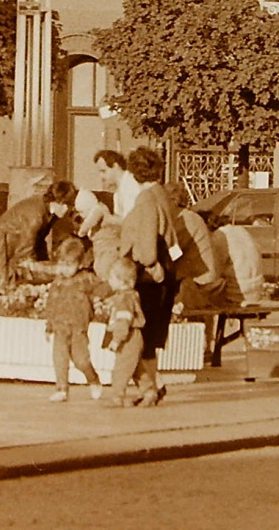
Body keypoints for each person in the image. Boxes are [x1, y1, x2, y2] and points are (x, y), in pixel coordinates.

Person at [117, 147, 181, 406]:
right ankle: (153, 388)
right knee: (150, 337)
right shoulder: (161, 194)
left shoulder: (145, 199)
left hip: (149, 275)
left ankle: (150, 390)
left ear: (134, 172)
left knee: (141, 336)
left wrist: (150, 263)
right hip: (167, 269)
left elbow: (146, 242)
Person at [0, 180, 77, 289]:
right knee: (4, 286)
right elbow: (26, 247)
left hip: (8, 246)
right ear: (59, 202)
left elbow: (39, 241)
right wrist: (38, 267)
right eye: (67, 204)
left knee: (17, 281)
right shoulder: (35, 216)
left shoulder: (50, 213)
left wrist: (45, 264)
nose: (68, 209)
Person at [42, 237, 108, 402]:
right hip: (60, 326)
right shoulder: (58, 282)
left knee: (81, 360)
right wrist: (49, 325)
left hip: (78, 327)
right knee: (60, 359)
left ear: (79, 264)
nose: (65, 269)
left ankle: (93, 379)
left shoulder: (86, 279)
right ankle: (62, 389)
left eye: (69, 264)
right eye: (62, 263)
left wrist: (99, 298)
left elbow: (104, 287)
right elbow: (52, 303)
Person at [162, 183, 225, 311]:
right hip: (198, 280)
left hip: (200, 284)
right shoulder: (186, 218)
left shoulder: (186, 220)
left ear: (173, 201)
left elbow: (172, 252)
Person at [101, 257, 152, 407]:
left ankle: (117, 396)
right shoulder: (129, 295)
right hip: (134, 336)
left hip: (128, 337)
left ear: (122, 281)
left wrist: (117, 339)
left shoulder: (124, 299)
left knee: (121, 369)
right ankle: (149, 390)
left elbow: (124, 321)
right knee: (135, 367)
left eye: (112, 278)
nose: (109, 281)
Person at [94, 150, 141, 220]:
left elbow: (129, 220)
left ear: (115, 166)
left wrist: (107, 217)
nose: (101, 177)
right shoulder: (119, 188)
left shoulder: (130, 185)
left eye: (103, 171)